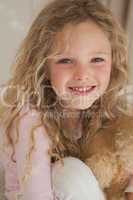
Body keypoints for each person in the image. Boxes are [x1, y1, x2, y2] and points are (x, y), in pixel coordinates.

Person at [0, 0, 133, 199]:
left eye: (97, 59)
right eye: (66, 60)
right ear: (43, 65)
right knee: (69, 173)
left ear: (113, 62)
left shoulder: (107, 105)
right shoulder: (28, 116)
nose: (83, 74)